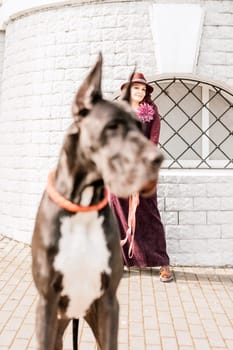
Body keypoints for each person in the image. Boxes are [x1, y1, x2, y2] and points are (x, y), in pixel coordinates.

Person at [110, 72, 173, 282]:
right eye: (135, 88)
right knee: (117, 211)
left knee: (149, 214)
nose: (139, 91)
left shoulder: (151, 112)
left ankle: (163, 262)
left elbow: (152, 140)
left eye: (143, 89)